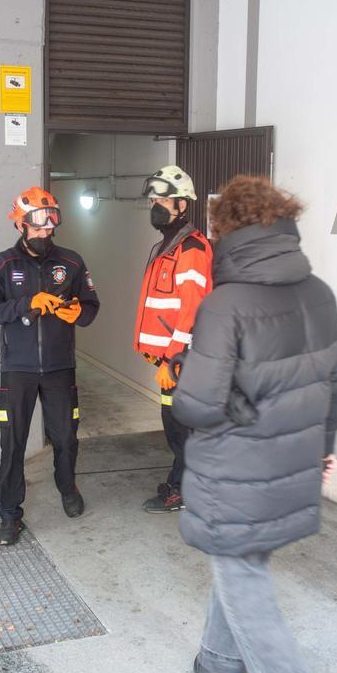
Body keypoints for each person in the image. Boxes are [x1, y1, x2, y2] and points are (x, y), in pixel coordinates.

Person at [172, 175, 337, 673]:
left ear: (227, 231)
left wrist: (185, 370)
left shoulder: (226, 304)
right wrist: (322, 450)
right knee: (243, 559)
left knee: (244, 577)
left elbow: (196, 407)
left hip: (235, 467)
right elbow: (334, 384)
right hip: (293, 461)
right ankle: (216, 658)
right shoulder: (320, 293)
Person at [0, 186, 100, 547]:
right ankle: (10, 514)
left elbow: (91, 306)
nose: (46, 231)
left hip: (61, 367)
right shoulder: (1, 266)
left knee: (65, 436)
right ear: (20, 224)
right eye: (38, 225)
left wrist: (81, 312)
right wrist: (26, 303)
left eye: (51, 223)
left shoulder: (72, 262)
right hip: (18, 368)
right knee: (12, 442)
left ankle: (67, 487)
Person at [133, 164, 213, 512]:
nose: (156, 203)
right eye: (154, 197)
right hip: (174, 361)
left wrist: (172, 359)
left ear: (183, 204)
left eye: (163, 198)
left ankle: (184, 490)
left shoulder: (191, 249)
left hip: (183, 362)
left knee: (181, 429)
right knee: (175, 426)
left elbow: (192, 309)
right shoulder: (167, 246)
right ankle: (182, 481)